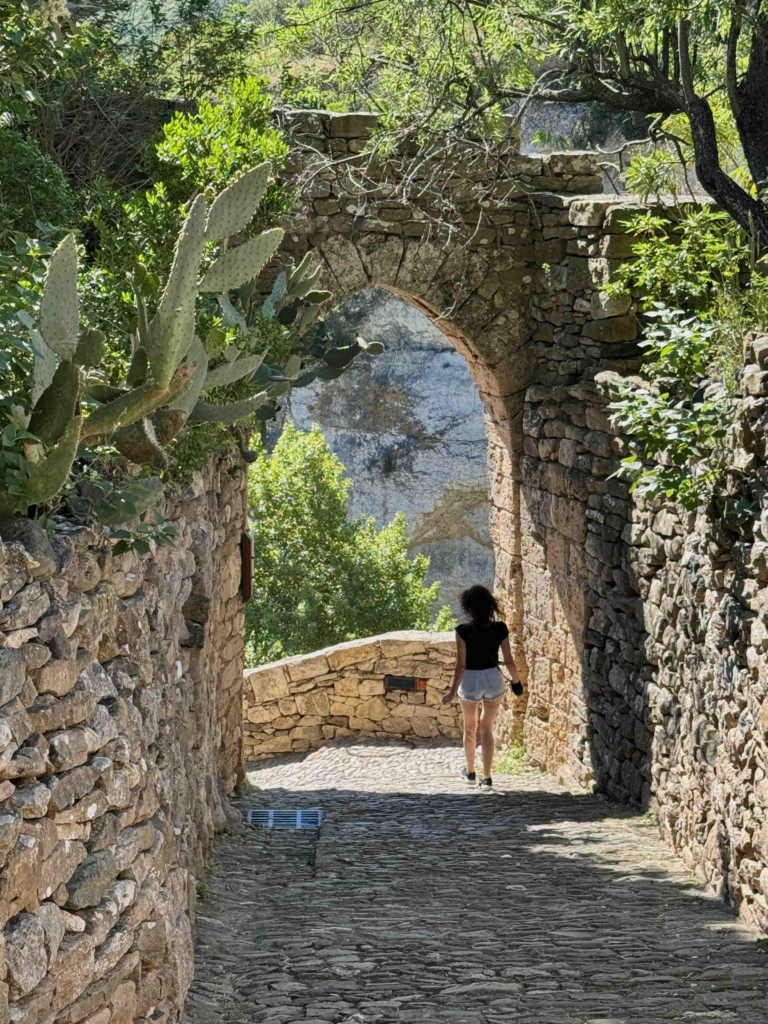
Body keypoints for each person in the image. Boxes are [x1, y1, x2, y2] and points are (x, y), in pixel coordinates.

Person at [442, 584, 522, 790]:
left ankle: (470, 773)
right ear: (490, 606)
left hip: (470, 681)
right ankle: (487, 777)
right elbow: (509, 661)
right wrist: (516, 681)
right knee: (487, 728)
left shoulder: (462, 631)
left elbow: (461, 664)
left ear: (468, 607)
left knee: (470, 729)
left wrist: (452, 691)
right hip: (493, 680)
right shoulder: (500, 628)